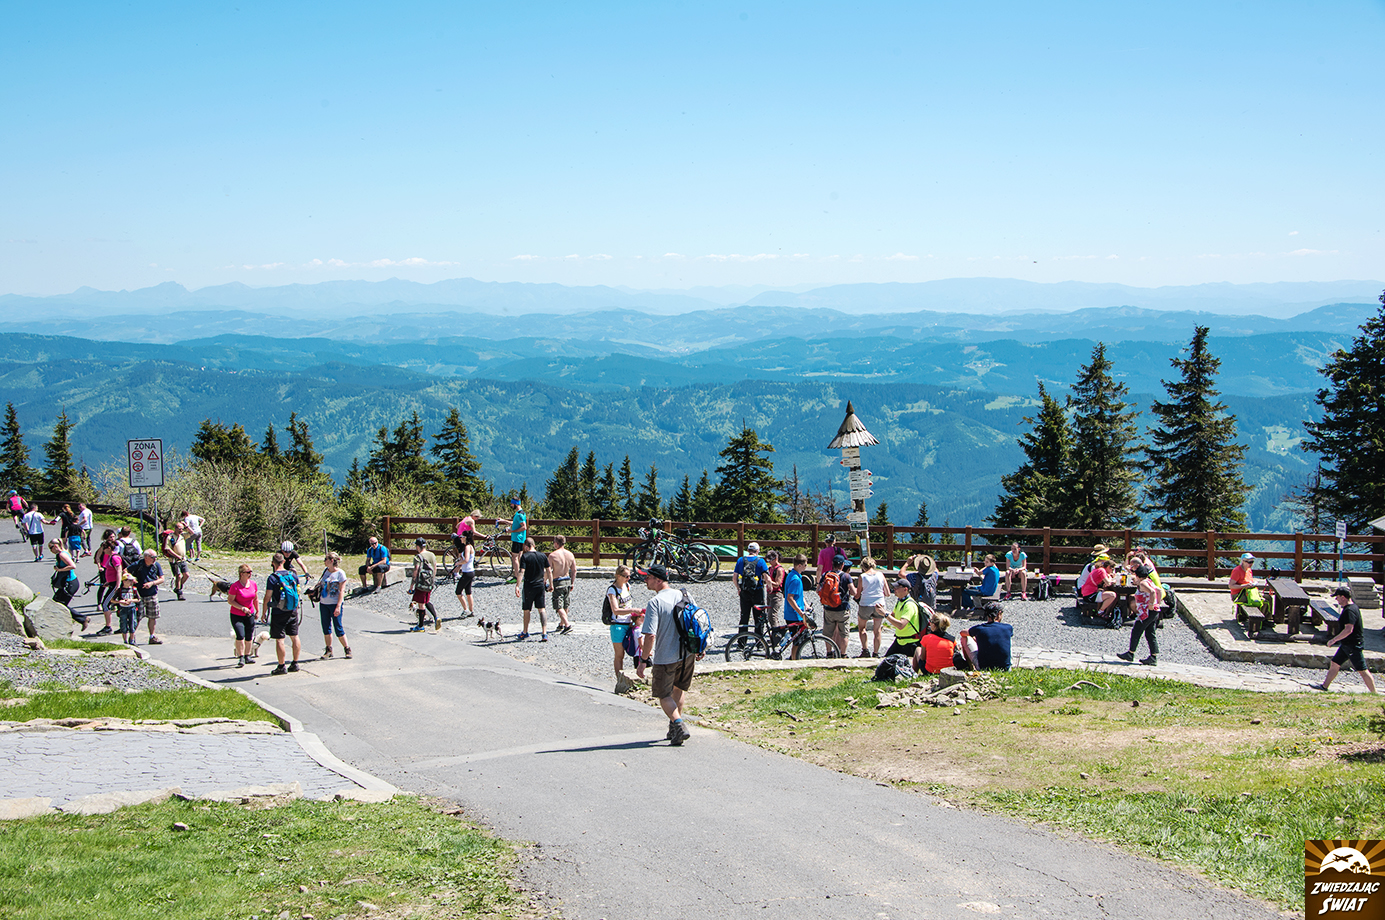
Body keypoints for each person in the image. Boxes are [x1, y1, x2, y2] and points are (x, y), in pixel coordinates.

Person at [635, 565, 699, 746]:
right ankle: (673, 729)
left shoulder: (655, 602)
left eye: (648, 577)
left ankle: (678, 725)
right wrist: (699, 648)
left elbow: (650, 635)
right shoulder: (684, 595)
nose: (645, 580)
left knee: (663, 694)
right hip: (687, 654)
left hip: (666, 657)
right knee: (678, 689)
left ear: (658, 580)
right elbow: (696, 621)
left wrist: (643, 660)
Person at [1318, 586, 1377, 693]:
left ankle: (1374, 693)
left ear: (1343, 597)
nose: (1336, 599)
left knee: (1362, 670)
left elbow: (1348, 629)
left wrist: (1334, 640)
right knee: (1335, 663)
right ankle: (1324, 686)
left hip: (1353, 645)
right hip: (1346, 645)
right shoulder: (1351, 608)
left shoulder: (1350, 611)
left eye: (1337, 597)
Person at [262, 551, 301, 674]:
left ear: (272, 563)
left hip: (279, 611)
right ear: (284, 561)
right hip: (292, 610)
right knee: (294, 636)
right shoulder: (293, 575)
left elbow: (267, 597)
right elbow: (298, 591)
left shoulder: (272, 578)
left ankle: (281, 666)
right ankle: (295, 663)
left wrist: (264, 612)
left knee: (280, 639)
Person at [606, 564, 645, 682]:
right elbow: (616, 610)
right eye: (626, 576)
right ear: (618, 576)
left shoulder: (627, 586)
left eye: (629, 576)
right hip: (617, 624)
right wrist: (633, 610)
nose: (628, 578)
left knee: (636, 649)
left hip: (629, 623)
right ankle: (619, 680)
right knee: (619, 655)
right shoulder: (612, 590)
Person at [1117, 570, 1164, 666]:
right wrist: (1157, 604)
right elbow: (1158, 591)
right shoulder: (1149, 581)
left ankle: (1130, 653)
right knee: (1150, 633)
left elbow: (1152, 592)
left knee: (1136, 631)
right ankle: (1153, 657)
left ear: (1138, 575)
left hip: (1146, 612)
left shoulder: (1143, 583)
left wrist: (1151, 604)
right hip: (1153, 611)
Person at [514, 537, 551, 641]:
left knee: (527, 609)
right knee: (542, 609)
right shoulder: (542, 556)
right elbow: (549, 570)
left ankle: (525, 631)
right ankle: (544, 633)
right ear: (534, 545)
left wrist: (517, 585)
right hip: (540, 585)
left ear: (526, 546)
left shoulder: (525, 556)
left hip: (529, 585)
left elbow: (522, 571)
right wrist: (551, 584)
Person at [128, 548, 165, 645]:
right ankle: (132, 637)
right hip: (139, 595)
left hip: (152, 594)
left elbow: (162, 579)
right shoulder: (138, 564)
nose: (155, 559)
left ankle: (152, 636)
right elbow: (125, 571)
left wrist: (152, 583)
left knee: (153, 616)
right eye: (153, 557)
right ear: (146, 557)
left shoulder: (156, 565)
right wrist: (132, 579)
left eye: (156, 557)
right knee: (137, 617)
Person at [853, 556, 889, 658]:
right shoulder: (881, 575)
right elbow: (887, 593)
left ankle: (865, 650)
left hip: (866, 603)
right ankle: (876, 653)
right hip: (879, 604)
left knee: (862, 628)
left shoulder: (862, 576)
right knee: (877, 630)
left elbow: (858, 594)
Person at [959, 603, 1012, 670]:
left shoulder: (980, 629)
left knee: (964, 638)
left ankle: (970, 667)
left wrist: (976, 638)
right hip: (1005, 668)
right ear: (999, 613)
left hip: (984, 667)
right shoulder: (1008, 628)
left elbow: (962, 632)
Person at [317, 552, 350, 659]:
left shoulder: (340, 574)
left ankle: (347, 648)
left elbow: (342, 591)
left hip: (334, 604)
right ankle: (328, 650)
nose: (324, 561)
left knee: (338, 627)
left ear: (331, 561)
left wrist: (338, 606)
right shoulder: (326, 572)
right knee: (326, 627)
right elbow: (321, 584)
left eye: (326, 559)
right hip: (324, 603)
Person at [818, 554, 853, 656]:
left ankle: (829, 653)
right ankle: (843, 654)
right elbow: (854, 592)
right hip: (842, 609)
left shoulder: (826, 575)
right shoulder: (846, 576)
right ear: (842, 565)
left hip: (828, 608)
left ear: (832, 564)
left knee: (828, 633)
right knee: (844, 634)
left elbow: (818, 590)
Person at [882, 577, 923, 660]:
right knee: (886, 662)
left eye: (897, 587)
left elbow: (901, 625)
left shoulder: (909, 605)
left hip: (910, 642)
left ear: (905, 589)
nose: (894, 589)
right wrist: (882, 611)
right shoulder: (900, 601)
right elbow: (893, 616)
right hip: (900, 641)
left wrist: (885, 614)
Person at [48, 539, 85, 630]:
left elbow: (73, 566)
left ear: (55, 546)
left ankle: (83, 619)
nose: (50, 550)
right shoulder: (63, 552)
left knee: (61, 605)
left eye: (50, 548)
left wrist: (59, 570)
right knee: (55, 602)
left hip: (70, 583)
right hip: (66, 583)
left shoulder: (62, 554)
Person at [228, 563, 259, 668]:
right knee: (240, 635)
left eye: (251, 572)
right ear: (241, 574)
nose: (250, 574)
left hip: (250, 613)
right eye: (248, 572)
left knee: (249, 635)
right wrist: (242, 608)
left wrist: (257, 611)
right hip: (237, 614)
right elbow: (230, 601)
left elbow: (255, 598)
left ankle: (247, 655)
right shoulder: (235, 586)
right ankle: (241, 656)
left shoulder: (253, 584)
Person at [734, 541, 768, 631]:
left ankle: (742, 638)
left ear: (748, 550)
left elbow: (734, 578)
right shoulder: (761, 561)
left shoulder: (740, 560)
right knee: (759, 616)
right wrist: (770, 586)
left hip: (744, 591)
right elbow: (766, 577)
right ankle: (759, 638)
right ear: (757, 551)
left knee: (744, 616)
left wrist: (738, 588)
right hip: (757, 591)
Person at [408, 537, 440, 632]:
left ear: (418, 546)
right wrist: (432, 580)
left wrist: (411, 586)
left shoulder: (418, 557)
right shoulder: (432, 555)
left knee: (421, 604)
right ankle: (436, 617)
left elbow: (416, 571)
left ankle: (420, 626)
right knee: (426, 601)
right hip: (430, 582)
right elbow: (435, 568)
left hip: (421, 583)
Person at [93, 529, 120, 635]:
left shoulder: (114, 558)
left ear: (108, 548)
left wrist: (117, 585)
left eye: (104, 549)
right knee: (114, 604)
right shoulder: (110, 557)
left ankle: (108, 627)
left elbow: (119, 571)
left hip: (115, 585)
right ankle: (121, 626)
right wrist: (108, 582)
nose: (103, 550)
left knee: (106, 604)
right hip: (111, 583)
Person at [548, 534, 577, 634]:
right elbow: (574, 570)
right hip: (567, 580)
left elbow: (548, 570)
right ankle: (561, 623)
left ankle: (567, 625)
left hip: (558, 580)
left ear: (556, 543)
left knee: (558, 605)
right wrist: (572, 582)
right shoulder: (570, 554)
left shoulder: (552, 555)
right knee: (565, 603)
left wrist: (546, 582)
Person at [163, 522, 190, 601]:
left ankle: (178, 587)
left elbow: (192, 533)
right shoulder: (170, 537)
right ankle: (179, 592)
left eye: (182, 528)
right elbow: (167, 549)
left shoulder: (183, 536)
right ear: (175, 528)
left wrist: (186, 526)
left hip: (183, 559)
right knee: (178, 575)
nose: (181, 530)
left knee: (186, 575)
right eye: (179, 528)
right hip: (174, 560)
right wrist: (177, 556)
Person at [453, 530, 476, 620]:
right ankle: (471, 611)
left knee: (458, 591)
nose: (461, 538)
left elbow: (466, 560)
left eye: (462, 537)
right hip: (470, 572)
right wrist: (457, 567)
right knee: (468, 592)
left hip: (467, 573)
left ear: (465, 538)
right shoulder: (469, 547)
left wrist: (458, 563)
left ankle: (466, 610)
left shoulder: (467, 547)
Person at [113, 571, 139, 646]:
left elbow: (138, 599)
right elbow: (112, 600)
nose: (131, 582)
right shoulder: (119, 590)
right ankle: (125, 641)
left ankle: (132, 640)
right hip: (123, 608)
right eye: (129, 581)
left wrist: (131, 600)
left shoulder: (134, 589)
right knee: (123, 624)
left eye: (132, 581)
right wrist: (120, 601)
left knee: (132, 624)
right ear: (124, 581)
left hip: (132, 608)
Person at [764, 550, 787, 630]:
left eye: (770, 560)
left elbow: (777, 584)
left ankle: (776, 632)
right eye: (768, 560)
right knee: (769, 614)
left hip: (776, 594)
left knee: (772, 615)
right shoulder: (770, 568)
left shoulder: (779, 569)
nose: (769, 562)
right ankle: (774, 631)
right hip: (769, 593)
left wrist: (769, 581)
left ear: (776, 558)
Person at [506, 497, 527, 584]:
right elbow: (515, 523)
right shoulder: (521, 513)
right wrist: (504, 521)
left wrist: (512, 531)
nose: (511, 505)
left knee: (514, 557)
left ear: (515, 504)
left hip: (517, 538)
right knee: (519, 557)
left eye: (512, 504)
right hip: (520, 539)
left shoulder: (519, 515)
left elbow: (524, 527)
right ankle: (521, 575)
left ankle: (516, 576)